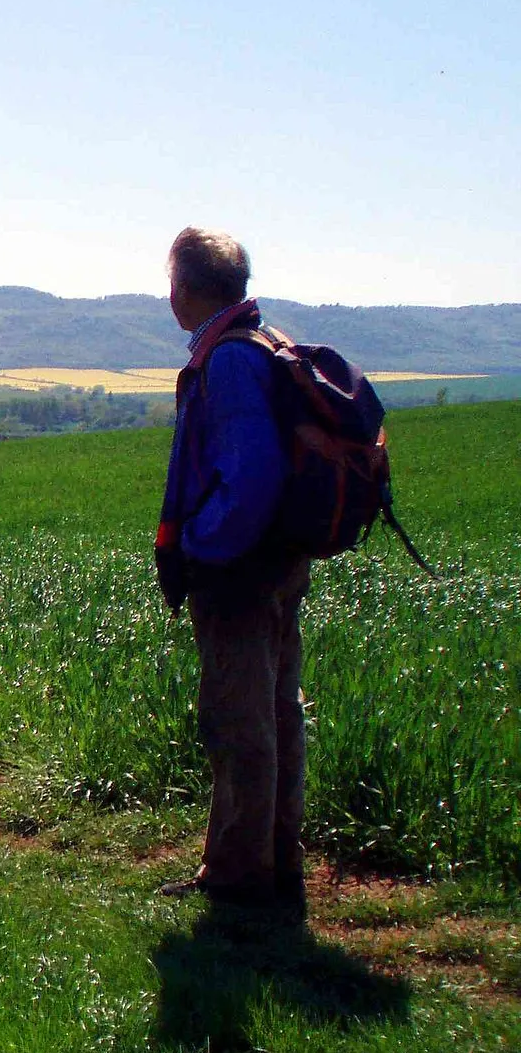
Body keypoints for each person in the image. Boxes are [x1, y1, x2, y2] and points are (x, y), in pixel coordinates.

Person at [153, 227, 308, 912]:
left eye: (171, 281)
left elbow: (250, 477)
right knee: (275, 713)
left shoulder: (231, 361)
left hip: (241, 571)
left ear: (185, 286)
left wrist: (200, 550)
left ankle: (243, 880)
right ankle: (274, 863)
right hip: (277, 561)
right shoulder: (264, 342)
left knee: (238, 721)